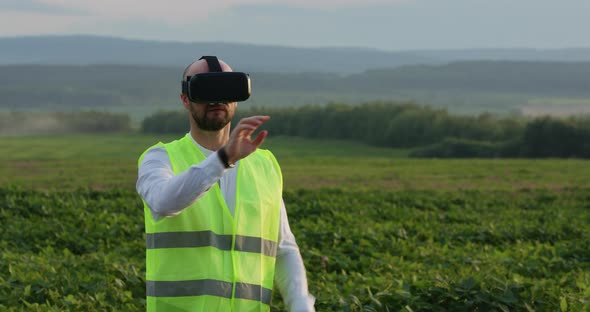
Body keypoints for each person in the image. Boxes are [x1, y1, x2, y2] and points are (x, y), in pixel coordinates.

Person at [136, 56, 315, 311]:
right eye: (205, 90)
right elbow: (164, 202)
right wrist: (224, 158)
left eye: (226, 89)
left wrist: (301, 305)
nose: (216, 99)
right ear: (185, 99)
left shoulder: (264, 164)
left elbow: (283, 247)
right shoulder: (159, 158)